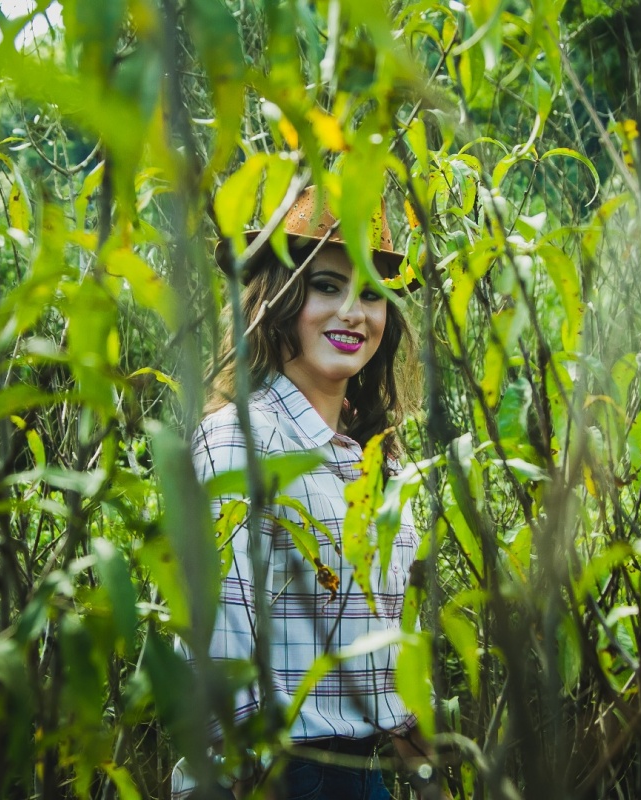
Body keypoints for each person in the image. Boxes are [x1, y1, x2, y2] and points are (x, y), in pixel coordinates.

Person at [172, 186, 445, 800]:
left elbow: (391, 652)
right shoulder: (239, 440)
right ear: (277, 299)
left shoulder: (377, 461)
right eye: (327, 286)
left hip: (369, 776)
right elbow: (217, 652)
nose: (354, 312)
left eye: (371, 293)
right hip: (283, 776)